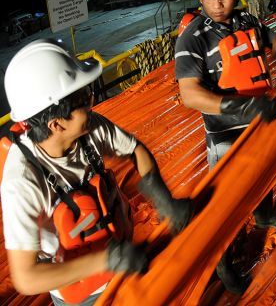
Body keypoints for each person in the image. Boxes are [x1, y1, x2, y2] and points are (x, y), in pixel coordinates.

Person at [0, 39, 192, 305]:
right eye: (83, 100)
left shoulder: (90, 128)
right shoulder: (22, 182)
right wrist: (107, 260)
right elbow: (26, 277)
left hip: (124, 261)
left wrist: (164, 200)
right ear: (56, 124)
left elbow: (135, 150)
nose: (92, 102)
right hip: (84, 294)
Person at [174, 0, 276, 293]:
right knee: (226, 204)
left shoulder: (246, 21)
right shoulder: (193, 38)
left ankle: (265, 214)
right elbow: (190, 95)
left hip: (258, 120)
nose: (218, 4)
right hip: (225, 133)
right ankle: (223, 262)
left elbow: (273, 42)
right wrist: (238, 107)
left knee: (264, 172)